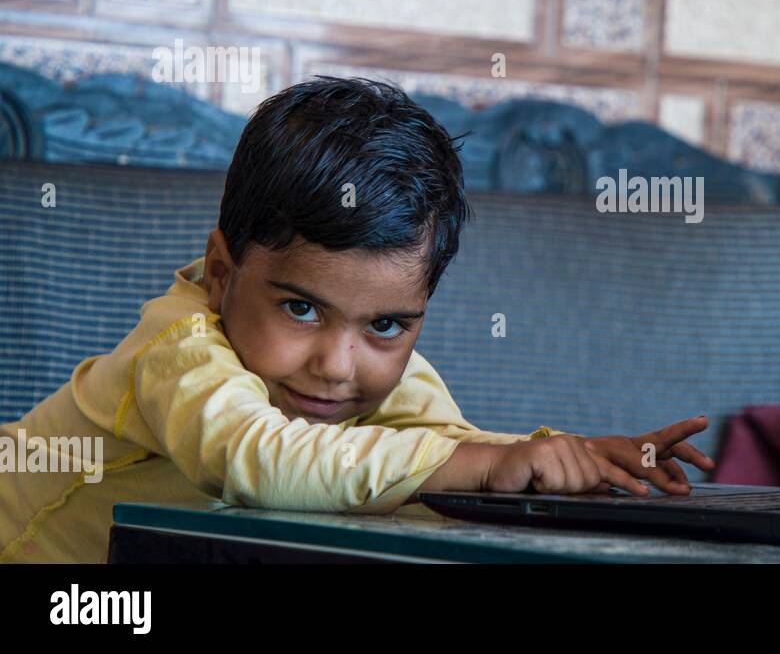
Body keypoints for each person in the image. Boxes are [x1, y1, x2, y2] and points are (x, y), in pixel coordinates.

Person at [0, 76, 712, 563]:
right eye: (301, 307)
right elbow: (258, 460)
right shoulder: (181, 348)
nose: (339, 366)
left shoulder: (375, 377)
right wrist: (487, 464)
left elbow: (438, 463)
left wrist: (565, 461)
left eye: (388, 326)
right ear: (222, 274)